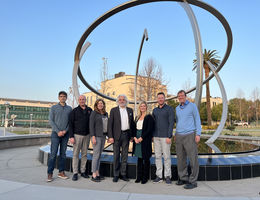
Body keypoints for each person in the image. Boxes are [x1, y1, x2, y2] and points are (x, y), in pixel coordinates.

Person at [175, 90, 201, 189]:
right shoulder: (177, 108)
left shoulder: (192, 106)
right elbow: (178, 122)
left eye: (182, 95)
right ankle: (183, 178)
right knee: (181, 159)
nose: (180, 97)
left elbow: (197, 119)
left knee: (193, 158)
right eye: (179, 96)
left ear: (185, 96)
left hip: (190, 134)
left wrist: (198, 134)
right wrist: (176, 133)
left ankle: (193, 181)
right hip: (179, 135)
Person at [108, 94, 135, 182]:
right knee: (116, 156)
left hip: (126, 135)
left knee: (124, 156)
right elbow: (110, 125)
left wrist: (131, 136)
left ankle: (123, 174)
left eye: (123, 99)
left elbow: (132, 124)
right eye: (120, 99)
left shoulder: (130, 110)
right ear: (118, 101)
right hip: (116, 136)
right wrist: (110, 136)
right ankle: (116, 174)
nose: (122, 101)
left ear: (126, 101)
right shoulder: (113, 110)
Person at [47, 91, 72, 182]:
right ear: (58, 98)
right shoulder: (53, 108)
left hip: (65, 135)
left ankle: (61, 172)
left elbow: (70, 122)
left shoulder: (69, 108)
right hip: (55, 134)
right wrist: (58, 131)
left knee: (63, 154)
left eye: (64, 96)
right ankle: (50, 173)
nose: (62, 98)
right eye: (61, 96)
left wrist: (65, 131)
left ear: (66, 98)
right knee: (53, 154)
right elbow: (51, 120)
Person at [152, 92, 174, 184]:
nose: (160, 99)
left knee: (166, 157)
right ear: (157, 99)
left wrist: (169, 136)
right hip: (156, 137)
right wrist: (152, 136)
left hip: (165, 137)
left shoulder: (169, 109)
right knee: (157, 157)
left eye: (162, 98)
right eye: (159, 98)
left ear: (164, 99)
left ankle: (167, 176)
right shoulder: (155, 110)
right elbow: (152, 124)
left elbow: (171, 123)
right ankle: (159, 176)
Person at [69, 95, 92, 181]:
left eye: (83, 99)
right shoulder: (74, 111)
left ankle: (83, 171)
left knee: (84, 154)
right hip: (77, 135)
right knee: (75, 154)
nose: (82, 101)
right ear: (78, 101)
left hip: (87, 135)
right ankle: (75, 173)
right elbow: (70, 125)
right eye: (80, 99)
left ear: (85, 100)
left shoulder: (89, 110)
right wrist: (71, 136)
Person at [132, 101, 154, 184]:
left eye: (144, 106)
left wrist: (141, 138)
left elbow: (149, 129)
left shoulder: (149, 117)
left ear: (146, 107)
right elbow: (133, 128)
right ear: (139, 107)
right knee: (139, 159)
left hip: (145, 139)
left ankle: (145, 178)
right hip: (137, 138)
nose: (142, 107)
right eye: (141, 106)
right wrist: (134, 137)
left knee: (146, 159)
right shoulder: (137, 117)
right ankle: (139, 177)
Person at [90, 99, 108, 182]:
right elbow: (91, 126)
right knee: (96, 155)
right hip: (96, 136)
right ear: (96, 105)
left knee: (99, 155)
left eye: (102, 103)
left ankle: (97, 172)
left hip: (103, 136)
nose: (100, 105)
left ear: (104, 105)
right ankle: (93, 174)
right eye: (99, 103)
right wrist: (93, 136)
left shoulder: (105, 114)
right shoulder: (94, 113)